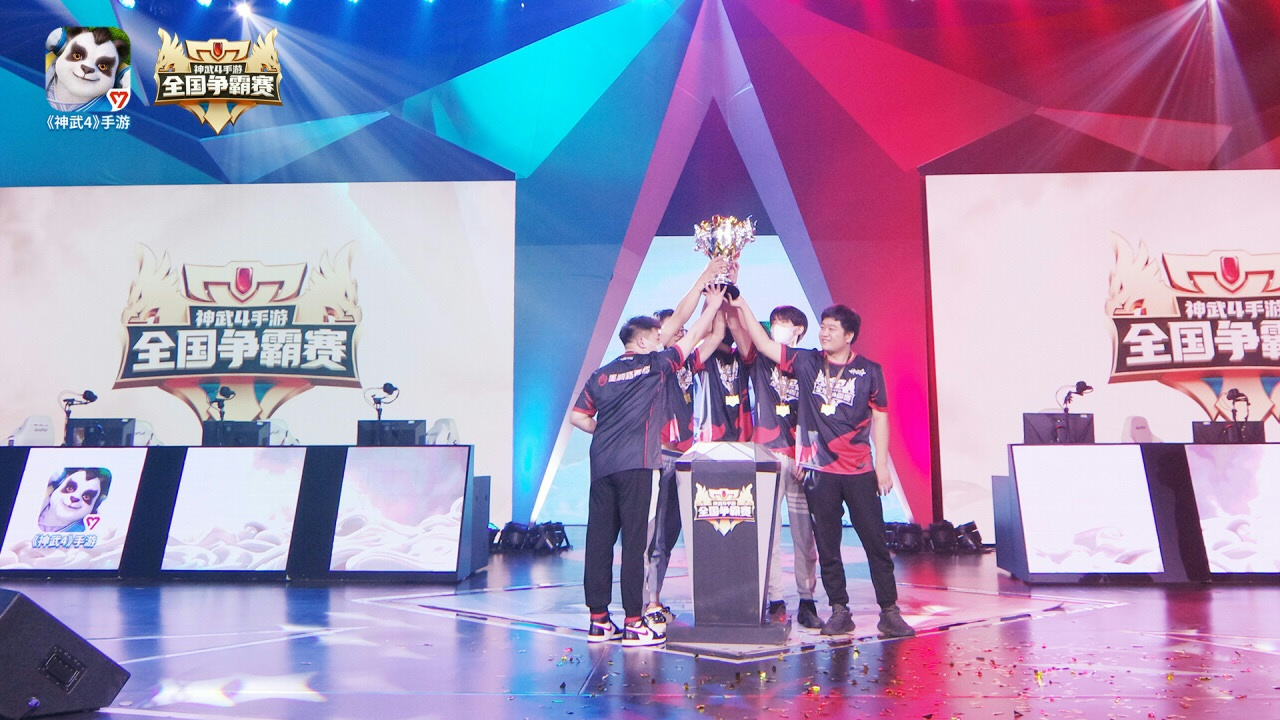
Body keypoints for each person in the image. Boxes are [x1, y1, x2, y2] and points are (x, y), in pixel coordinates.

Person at [730, 296, 915, 639]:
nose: (824, 333)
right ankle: (839, 611)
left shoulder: (869, 371)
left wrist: (882, 465)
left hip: (859, 470)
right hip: (820, 471)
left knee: (875, 544)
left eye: (832, 329)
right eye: (823, 328)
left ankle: (889, 612)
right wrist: (740, 303)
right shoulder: (808, 362)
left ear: (849, 335)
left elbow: (881, 417)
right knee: (828, 547)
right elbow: (764, 345)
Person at [571, 285, 727, 647]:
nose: (664, 340)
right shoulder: (655, 365)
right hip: (637, 464)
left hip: (602, 465)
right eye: (658, 337)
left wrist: (605, 431)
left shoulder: (602, 375)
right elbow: (693, 334)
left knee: (598, 542)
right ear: (642, 342)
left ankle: (598, 621)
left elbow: (578, 417)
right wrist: (713, 303)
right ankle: (634, 623)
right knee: (635, 543)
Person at [731, 305, 822, 629]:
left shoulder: (810, 361)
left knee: (804, 536)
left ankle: (807, 599)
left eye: (784, 323)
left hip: (800, 458)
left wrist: (808, 455)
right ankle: (775, 599)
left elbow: (818, 413)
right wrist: (736, 301)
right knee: (767, 533)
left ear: (799, 330)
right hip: (766, 454)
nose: (777, 327)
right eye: (775, 322)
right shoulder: (759, 358)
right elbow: (741, 331)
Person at [37, 468, 111, 532]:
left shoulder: (84, 532)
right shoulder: (37, 503)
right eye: (70, 488)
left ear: (96, 504)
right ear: (59, 484)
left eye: (86, 497)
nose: (75, 497)